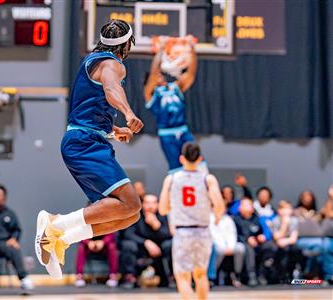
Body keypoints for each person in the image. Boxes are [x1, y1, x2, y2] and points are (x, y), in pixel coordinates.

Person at [35, 20, 144, 278]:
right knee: (131, 202)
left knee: (130, 215)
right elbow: (110, 89)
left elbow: (89, 107)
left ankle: (61, 239)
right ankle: (55, 224)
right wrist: (128, 113)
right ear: (127, 43)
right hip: (84, 143)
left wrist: (113, 130)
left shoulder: (92, 60)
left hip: (86, 139)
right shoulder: (111, 64)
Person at [159, 142, 224, 300]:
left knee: (182, 276)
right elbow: (220, 206)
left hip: (182, 232)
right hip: (203, 231)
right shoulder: (208, 179)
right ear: (200, 159)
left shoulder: (172, 179)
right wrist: (216, 216)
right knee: (201, 274)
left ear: (181, 159)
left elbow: (162, 209)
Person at [143, 36, 204, 174]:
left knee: (199, 165)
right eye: (157, 76)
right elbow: (153, 73)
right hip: (167, 134)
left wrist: (192, 50)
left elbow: (190, 74)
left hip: (183, 130)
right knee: (176, 170)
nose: (160, 76)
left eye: (161, 75)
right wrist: (162, 49)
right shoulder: (151, 93)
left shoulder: (175, 87)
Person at [119, 194, 173, 289]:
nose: (150, 206)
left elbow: (168, 235)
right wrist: (145, 242)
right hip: (140, 248)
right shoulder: (135, 215)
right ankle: (130, 277)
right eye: (147, 203)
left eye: (153, 203)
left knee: (170, 244)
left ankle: (173, 277)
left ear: (158, 204)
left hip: (159, 249)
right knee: (128, 245)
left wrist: (157, 226)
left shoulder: (163, 215)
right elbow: (128, 234)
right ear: (142, 204)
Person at [233, 198, 276, 286]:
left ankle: (262, 273)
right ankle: (251, 275)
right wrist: (246, 239)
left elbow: (266, 231)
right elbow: (234, 235)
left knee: (270, 246)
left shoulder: (258, 218)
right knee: (248, 248)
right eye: (243, 205)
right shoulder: (235, 219)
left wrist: (262, 237)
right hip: (243, 243)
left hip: (257, 243)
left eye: (248, 205)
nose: (246, 207)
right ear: (239, 208)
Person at [209, 211, 245, 287]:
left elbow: (232, 233)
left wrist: (230, 246)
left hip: (229, 246)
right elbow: (212, 236)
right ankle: (211, 277)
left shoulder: (228, 219)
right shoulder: (209, 218)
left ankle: (237, 275)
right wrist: (223, 247)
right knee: (217, 250)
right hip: (216, 245)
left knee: (240, 248)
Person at [270, 200, 300, 282]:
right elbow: (276, 237)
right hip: (276, 243)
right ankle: (280, 275)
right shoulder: (275, 220)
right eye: (284, 209)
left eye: (289, 208)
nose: (286, 211)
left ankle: (291, 273)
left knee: (294, 249)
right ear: (279, 210)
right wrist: (284, 224)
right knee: (278, 251)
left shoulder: (294, 220)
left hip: (288, 242)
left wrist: (285, 241)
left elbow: (293, 238)